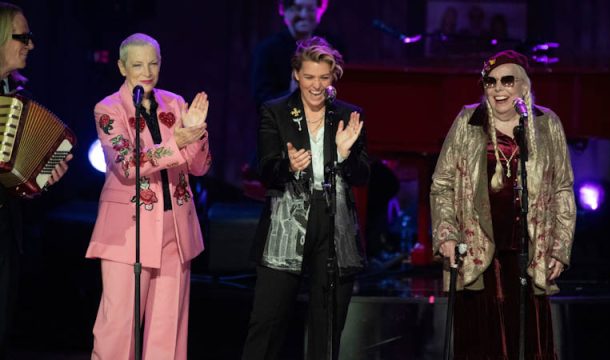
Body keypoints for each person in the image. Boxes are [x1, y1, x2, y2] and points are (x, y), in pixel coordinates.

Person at [430, 50, 576, 359]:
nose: (498, 88)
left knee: (530, 344)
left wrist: (560, 249)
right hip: (477, 254)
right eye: (491, 81)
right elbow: (441, 185)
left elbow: (562, 188)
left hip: (530, 254)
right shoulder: (469, 121)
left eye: (507, 81)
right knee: (481, 345)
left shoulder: (545, 124)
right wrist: (446, 235)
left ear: (524, 86)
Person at [242, 36, 369, 360]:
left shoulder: (348, 115)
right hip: (286, 223)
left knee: (327, 327)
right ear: (296, 74)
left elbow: (363, 176)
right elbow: (266, 170)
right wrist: (288, 165)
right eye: (309, 77)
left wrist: (343, 154)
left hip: (333, 225)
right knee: (267, 322)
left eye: (323, 78)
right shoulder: (275, 111)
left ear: (333, 77)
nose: (316, 85)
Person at [86, 33, 211, 360]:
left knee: (167, 329)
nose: (147, 70)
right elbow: (127, 165)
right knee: (119, 327)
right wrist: (177, 142)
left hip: (175, 228)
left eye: (153, 62)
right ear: (122, 67)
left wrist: (197, 135)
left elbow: (200, 167)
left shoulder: (175, 102)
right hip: (129, 230)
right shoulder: (108, 109)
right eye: (138, 64)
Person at [0, 3, 72, 358]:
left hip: (6, 227)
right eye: (23, 36)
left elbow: (13, 172)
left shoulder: (13, 94)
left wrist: (37, 178)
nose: (31, 44)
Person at [251, 0, 340, 108]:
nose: (304, 15)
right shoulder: (267, 50)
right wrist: (290, 93)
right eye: (297, 8)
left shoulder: (334, 47)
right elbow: (262, 101)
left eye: (311, 9)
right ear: (282, 9)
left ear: (321, 10)